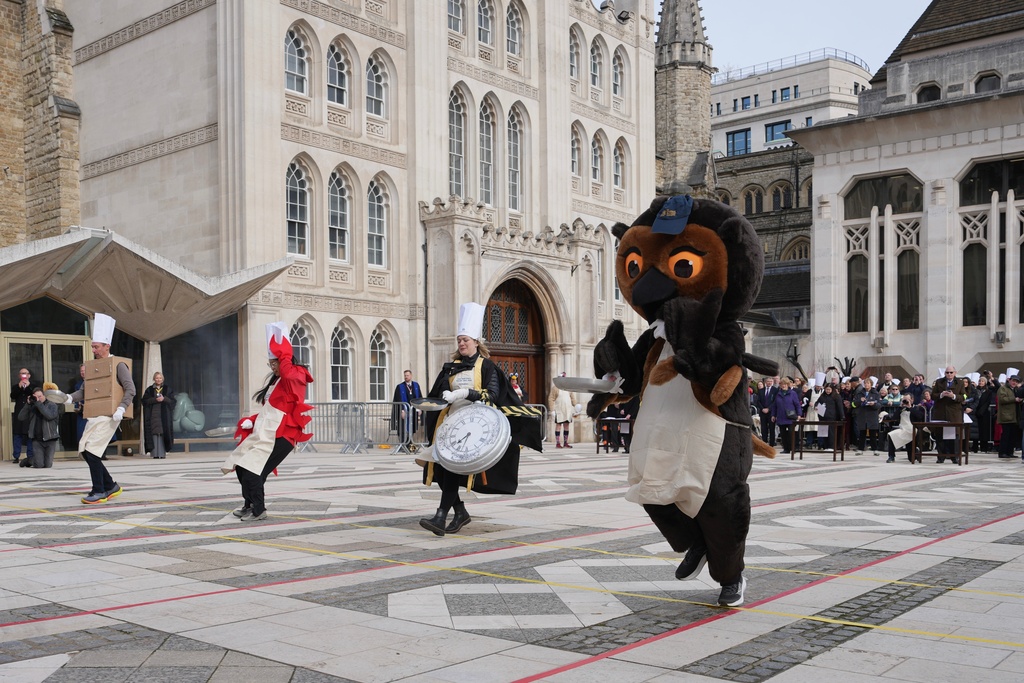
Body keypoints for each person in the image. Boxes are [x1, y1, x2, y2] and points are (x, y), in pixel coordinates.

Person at [418, 303, 541, 536]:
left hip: (474, 428)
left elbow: (493, 395)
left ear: (476, 341)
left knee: (452, 471)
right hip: (449, 426)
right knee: (442, 474)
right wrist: (432, 402)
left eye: (465, 339)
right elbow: (438, 395)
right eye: (459, 340)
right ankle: (461, 512)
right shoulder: (450, 368)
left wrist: (464, 393)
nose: (462, 344)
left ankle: (440, 517)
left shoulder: (488, 367)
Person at [222, 322, 313, 521]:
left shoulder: (295, 373)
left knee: (254, 469)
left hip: (284, 436)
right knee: (241, 465)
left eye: (275, 363)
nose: (273, 367)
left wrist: (285, 353)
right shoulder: (276, 381)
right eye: (270, 364)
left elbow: (288, 379)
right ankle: (251, 503)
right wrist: (251, 420)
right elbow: (270, 411)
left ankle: (259, 510)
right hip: (269, 431)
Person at [65, 314, 133, 504]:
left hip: (110, 415)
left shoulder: (118, 365)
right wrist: (69, 397)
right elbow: (84, 391)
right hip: (94, 415)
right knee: (86, 452)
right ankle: (111, 485)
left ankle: (99, 490)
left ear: (106, 346)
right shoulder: (95, 366)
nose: (93, 350)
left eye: (96, 346)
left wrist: (122, 408)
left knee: (93, 451)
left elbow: (131, 389)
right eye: (93, 346)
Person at [17, 384, 59, 468]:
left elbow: (49, 416)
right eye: (36, 397)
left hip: (50, 439)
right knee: (39, 465)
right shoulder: (32, 406)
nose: (38, 399)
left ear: (44, 395)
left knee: (48, 465)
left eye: (40, 396)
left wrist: (38, 404)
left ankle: (31, 459)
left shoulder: (52, 405)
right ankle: (28, 460)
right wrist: (27, 404)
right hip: (37, 440)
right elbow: (20, 417)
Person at [932, 366, 966, 463]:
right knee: (940, 435)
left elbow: (964, 396)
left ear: (955, 373)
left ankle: (954, 456)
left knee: (954, 435)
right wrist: (941, 395)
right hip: (941, 412)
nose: (949, 374)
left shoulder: (960, 383)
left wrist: (954, 396)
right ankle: (941, 456)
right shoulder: (939, 382)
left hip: (954, 412)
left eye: (951, 372)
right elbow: (932, 395)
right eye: (947, 372)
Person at [142, 372, 176, 458]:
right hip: (153, 415)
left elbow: (173, 401)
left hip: (164, 416)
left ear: (162, 379)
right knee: (154, 433)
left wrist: (164, 399)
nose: (158, 379)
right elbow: (144, 401)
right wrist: (155, 400)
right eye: (157, 378)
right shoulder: (149, 390)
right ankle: (155, 454)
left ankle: (162, 453)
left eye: (160, 378)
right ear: (154, 379)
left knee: (163, 433)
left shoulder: (167, 389)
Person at [770, 377, 802, 454]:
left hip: (790, 416)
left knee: (791, 433)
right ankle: (786, 449)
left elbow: (797, 404)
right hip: (781, 416)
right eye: (782, 384)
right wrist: (773, 415)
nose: (783, 386)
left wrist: (799, 414)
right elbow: (774, 405)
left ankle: (793, 448)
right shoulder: (778, 394)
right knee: (783, 434)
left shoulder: (792, 393)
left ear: (787, 385)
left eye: (785, 384)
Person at [10, 367, 35, 464]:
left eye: (25, 373)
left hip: (30, 413)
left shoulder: (33, 386)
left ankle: (30, 456)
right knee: (17, 434)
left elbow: (34, 395)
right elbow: (13, 396)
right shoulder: (16, 386)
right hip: (19, 414)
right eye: (22, 373)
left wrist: (28, 387)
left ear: (29, 375)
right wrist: (20, 387)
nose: (24, 375)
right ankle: (16, 456)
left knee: (30, 434)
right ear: (19, 376)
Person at [392, 370, 423, 446]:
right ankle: (403, 444)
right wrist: (402, 410)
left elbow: (419, 397)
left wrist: (419, 409)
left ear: (411, 376)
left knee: (412, 427)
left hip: (413, 411)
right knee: (403, 427)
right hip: (404, 411)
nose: (406, 377)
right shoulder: (400, 387)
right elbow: (398, 399)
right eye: (405, 375)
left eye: (407, 375)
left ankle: (410, 443)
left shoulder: (416, 385)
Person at [996, 374, 1022, 459]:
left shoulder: (1015, 390)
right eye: (1013, 381)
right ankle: (1002, 452)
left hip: (1014, 416)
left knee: (1012, 435)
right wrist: (1014, 399)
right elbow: (1002, 399)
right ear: (1009, 380)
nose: (1014, 383)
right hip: (1006, 415)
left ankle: (1010, 452)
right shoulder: (1003, 388)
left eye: (1016, 381)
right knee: (1005, 435)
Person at [853, 378, 882, 452]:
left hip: (872, 415)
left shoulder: (875, 393)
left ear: (871, 384)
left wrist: (873, 404)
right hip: (862, 414)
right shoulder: (859, 393)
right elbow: (854, 403)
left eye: (868, 383)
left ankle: (874, 448)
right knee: (862, 432)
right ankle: (861, 448)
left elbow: (879, 405)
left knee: (873, 433)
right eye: (865, 383)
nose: (866, 385)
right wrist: (860, 401)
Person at [548, 372, 576, 448]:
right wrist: (552, 410)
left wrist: (576, 406)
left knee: (566, 426)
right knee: (558, 426)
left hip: (567, 409)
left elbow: (572, 397)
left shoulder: (569, 388)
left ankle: (565, 442)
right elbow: (551, 398)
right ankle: (557, 443)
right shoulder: (555, 388)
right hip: (559, 409)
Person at [814, 383, 845, 450]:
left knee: (831, 433)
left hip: (832, 417)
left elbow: (840, 407)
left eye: (829, 389)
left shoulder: (836, 396)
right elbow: (817, 403)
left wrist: (842, 416)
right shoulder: (822, 396)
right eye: (826, 389)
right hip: (823, 417)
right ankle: (826, 446)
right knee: (824, 433)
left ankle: (831, 446)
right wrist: (816, 406)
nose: (827, 391)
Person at [754, 376, 778, 447]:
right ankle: (764, 442)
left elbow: (775, 401)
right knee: (763, 428)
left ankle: (772, 443)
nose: (769, 383)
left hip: (771, 412)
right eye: (768, 381)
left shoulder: (775, 390)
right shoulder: (761, 390)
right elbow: (758, 401)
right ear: (765, 382)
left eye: (771, 381)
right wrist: (762, 409)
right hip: (763, 412)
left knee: (772, 428)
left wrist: (769, 409)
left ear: (772, 382)